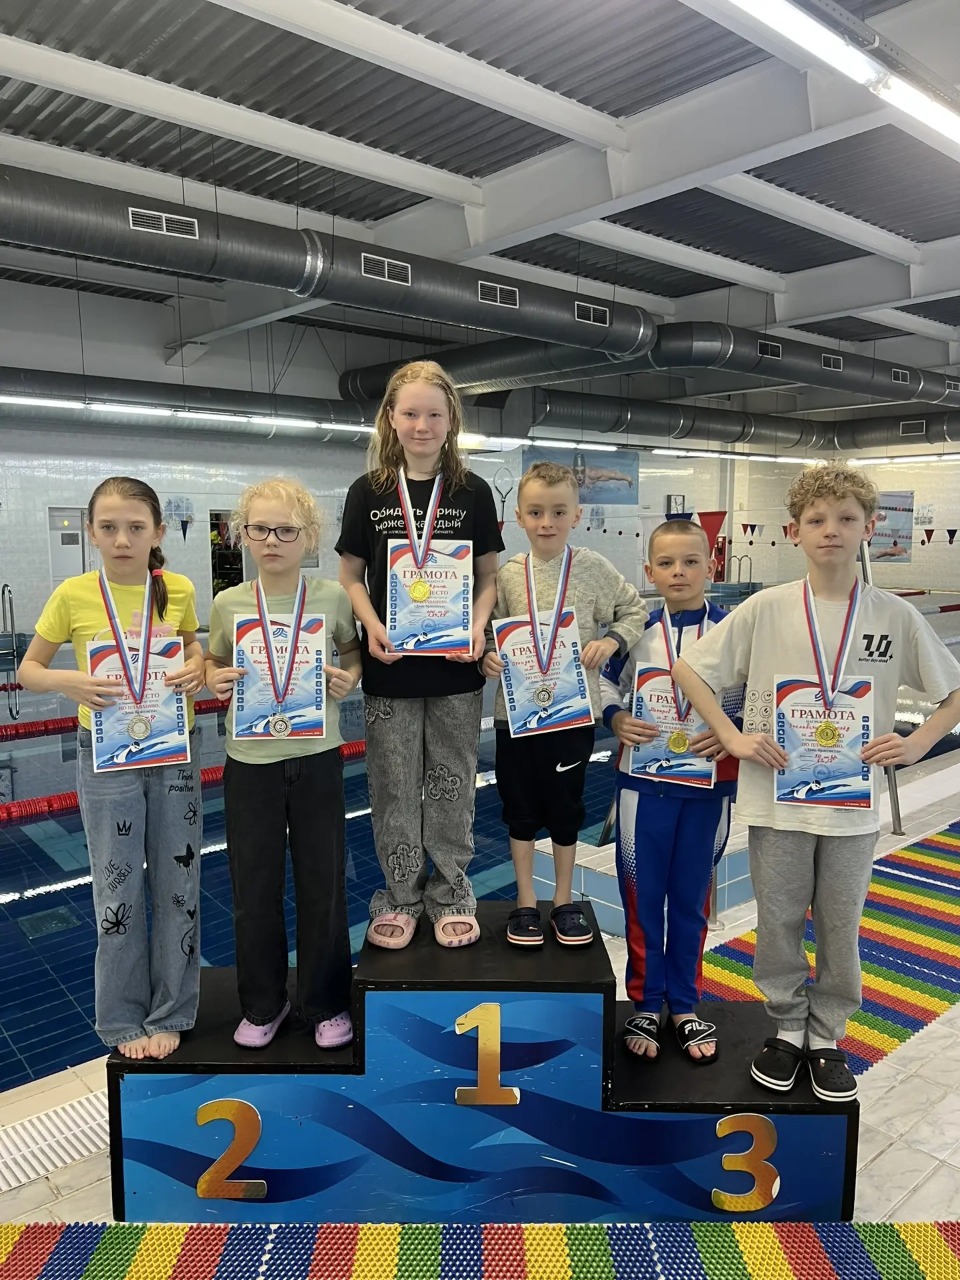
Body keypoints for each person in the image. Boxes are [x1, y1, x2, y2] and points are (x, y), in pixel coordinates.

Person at [673, 463, 960, 1101]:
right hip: (777, 802)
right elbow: (690, 670)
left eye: (846, 518)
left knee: (839, 924)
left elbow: (953, 692)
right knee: (777, 921)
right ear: (794, 531)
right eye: (817, 519)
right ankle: (786, 1027)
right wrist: (733, 735)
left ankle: (826, 1034)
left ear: (869, 527)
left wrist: (917, 743)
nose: (831, 530)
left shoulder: (893, 615)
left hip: (852, 811)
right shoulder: (766, 608)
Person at [18, 477, 206, 1060]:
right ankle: (122, 1018)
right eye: (109, 527)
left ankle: (172, 1009)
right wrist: (68, 680)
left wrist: (197, 665)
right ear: (92, 533)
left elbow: (194, 649)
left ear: (157, 532)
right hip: (106, 754)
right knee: (116, 885)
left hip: (174, 748)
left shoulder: (176, 589)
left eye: (135, 527)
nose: (122, 539)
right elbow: (28, 670)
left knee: (178, 884)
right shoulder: (73, 594)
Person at [336, 360, 504, 950]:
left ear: (451, 419)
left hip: (456, 667)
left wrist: (478, 629)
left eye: (434, 414)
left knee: (454, 782)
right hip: (391, 667)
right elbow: (350, 576)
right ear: (390, 417)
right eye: (409, 413)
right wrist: (372, 626)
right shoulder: (369, 492)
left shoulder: (472, 491)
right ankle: (401, 896)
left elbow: (488, 577)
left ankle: (452, 894)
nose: (422, 425)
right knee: (394, 786)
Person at [205, 478, 361, 1050]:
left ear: (308, 537)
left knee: (323, 886)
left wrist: (350, 678)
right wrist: (215, 679)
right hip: (250, 763)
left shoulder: (332, 597)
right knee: (254, 891)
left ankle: (326, 1002)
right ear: (243, 535)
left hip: (316, 758)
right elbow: (213, 662)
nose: (272, 540)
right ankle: (264, 1004)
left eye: (286, 530)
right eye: (260, 529)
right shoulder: (228, 603)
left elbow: (352, 652)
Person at [482, 461, 647, 946]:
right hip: (515, 715)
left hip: (572, 714)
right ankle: (525, 900)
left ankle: (562, 901)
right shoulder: (508, 575)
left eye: (558, 512)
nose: (547, 522)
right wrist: (487, 657)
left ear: (576, 515)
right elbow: (486, 629)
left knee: (564, 807)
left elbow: (635, 608)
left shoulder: (592, 568)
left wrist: (612, 640)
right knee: (519, 808)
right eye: (536, 512)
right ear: (519, 517)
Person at [599, 520, 741, 1063]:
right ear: (649, 571)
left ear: (711, 567)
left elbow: (755, 695)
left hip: (709, 787)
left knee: (691, 900)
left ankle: (684, 1003)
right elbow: (604, 680)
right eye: (666, 563)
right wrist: (615, 717)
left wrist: (731, 733)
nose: (678, 572)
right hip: (643, 786)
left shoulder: (732, 631)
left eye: (690, 561)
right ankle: (646, 1001)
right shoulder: (637, 632)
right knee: (641, 898)